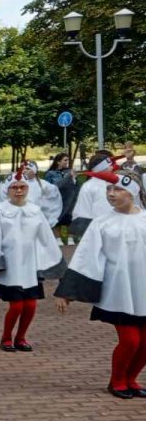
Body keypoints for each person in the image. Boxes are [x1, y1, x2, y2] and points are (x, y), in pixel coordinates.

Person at [55, 170, 146, 399]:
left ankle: (131, 379)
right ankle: (117, 381)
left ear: (133, 192)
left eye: (118, 189)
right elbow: (85, 256)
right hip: (118, 292)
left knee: (144, 342)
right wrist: (68, 292)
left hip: (143, 291)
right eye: (109, 189)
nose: (111, 194)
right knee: (130, 340)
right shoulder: (102, 222)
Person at [0, 167, 66, 352]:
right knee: (17, 306)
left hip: (30, 266)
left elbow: (47, 240)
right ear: (7, 190)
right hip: (10, 267)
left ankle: (21, 337)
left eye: (22, 187)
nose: (19, 191)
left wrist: (57, 267)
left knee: (30, 305)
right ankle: (6, 338)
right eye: (15, 187)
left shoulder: (35, 211)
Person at [0, 161, 63, 227]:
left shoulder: (42, 184)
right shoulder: (17, 182)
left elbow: (53, 192)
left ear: (34, 172)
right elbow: (4, 189)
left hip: (33, 216)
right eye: (23, 168)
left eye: (27, 169)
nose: (24, 170)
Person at [70, 150, 118, 238]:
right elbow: (88, 210)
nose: (112, 168)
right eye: (109, 166)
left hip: (110, 226)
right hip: (98, 227)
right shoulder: (92, 185)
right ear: (102, 168)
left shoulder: (110, 183)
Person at [45, 153, 78, 245]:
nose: (67, 162)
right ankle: (58, 238)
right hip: (57, 199)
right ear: (58, 161)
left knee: (68, 218)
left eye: (68, 160)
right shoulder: (50, 174)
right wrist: (68, 177)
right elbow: (52, 187)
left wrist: (74, 179)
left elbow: (75, 186)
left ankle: (69, 237)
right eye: (65, 160)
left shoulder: (69, 171)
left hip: (70, 198)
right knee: (57, 218)